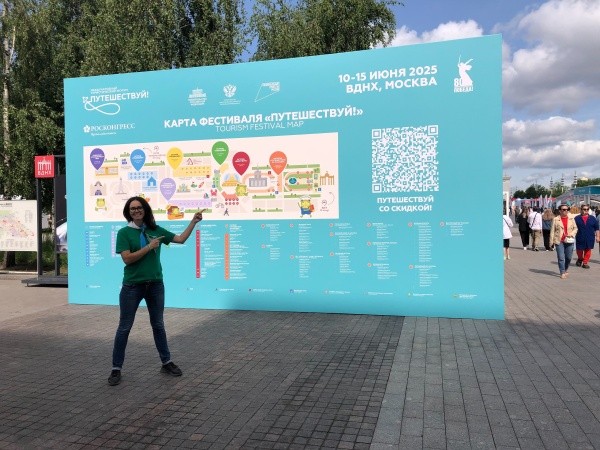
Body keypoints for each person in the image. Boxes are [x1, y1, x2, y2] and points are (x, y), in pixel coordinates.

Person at [108, 196, 205, 386]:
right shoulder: (124, 233)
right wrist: (149, 247)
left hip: (155, 285)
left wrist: (193, 222)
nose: (136, 211)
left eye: (139, 207)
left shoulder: (155, 230)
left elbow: (180, 239)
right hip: (132, 286)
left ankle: (166, 362)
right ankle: (116, 368)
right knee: (124, 327)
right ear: (128, 212)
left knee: (158, 325)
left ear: (145, 210)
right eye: (132, 208)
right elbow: (127, 259)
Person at [550, 205, 578, 279]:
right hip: (559, 241)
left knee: (568, 257)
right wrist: (551, 242)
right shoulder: (556, 219)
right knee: (561, 257)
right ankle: (562, 272)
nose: (565, 211)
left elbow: (575, 228)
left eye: (567, 209)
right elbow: (552, 231)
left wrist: (571, 234)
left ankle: (565, 269)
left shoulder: (571, 218)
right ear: (560, 210)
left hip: (569, 240)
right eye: (563, 209)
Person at [574, 204, 600, 269]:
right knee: (579, 250)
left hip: (590, 237)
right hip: (580, 236)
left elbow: (597, 228)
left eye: (587, 209)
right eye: (584, 209)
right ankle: (580, 258)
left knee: (588, 250)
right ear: (581, 210)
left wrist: (598, 237)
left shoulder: (592, 218)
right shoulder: (577, 218)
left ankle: (585, 262)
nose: (586, 210)